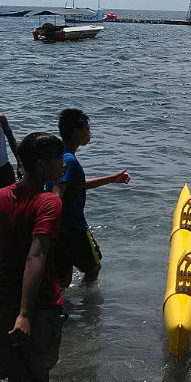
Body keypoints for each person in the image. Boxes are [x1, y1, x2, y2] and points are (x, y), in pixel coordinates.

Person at [0, 131, 66, 382]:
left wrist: (14, 304)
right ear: (42, 165)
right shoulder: (48, 202)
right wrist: (25, 313)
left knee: (17, 380)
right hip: (38, 305)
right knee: (39, 375)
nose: (63, 165)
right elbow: (38, 254)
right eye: (58, 160)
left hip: (0, 300)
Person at [48, 109, 130, 287]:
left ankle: (62, 306)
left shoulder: (61, 157)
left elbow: (78, 184)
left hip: (59, 230)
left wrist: (112, 179)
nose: (90, 134)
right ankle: (88, 306)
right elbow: (56, 194)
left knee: (63, 276)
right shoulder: (69, 160)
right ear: (76, 132)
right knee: (93, 267)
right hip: (73, 228)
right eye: (87, 129)